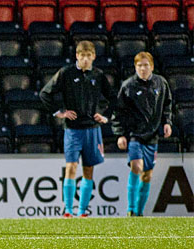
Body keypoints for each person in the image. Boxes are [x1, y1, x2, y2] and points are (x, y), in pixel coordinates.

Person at [39, 41, 116, 218]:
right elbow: (45, 93)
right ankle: (67, 210)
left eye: (89, 56)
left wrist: (105, 116)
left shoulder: (98, 74)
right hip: (73, 129)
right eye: (83, 56)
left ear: (94, 57)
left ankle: (82, 211)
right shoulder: (66, 72)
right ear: (77, 56)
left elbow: (113, 97)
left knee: (88, 169)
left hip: (92, 129)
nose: (86, 59)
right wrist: (59, 112)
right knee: (71, 166)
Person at [112, 52, 172, 217]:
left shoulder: (161, 83)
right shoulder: (128, 86)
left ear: (151, 66)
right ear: (135, 67)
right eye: (139, 66)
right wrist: (120, 134)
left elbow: (167, 104)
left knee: (147, 175)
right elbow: (118, 112)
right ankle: (131, 209)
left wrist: (167, 122)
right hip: (134, 135)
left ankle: (139, 212)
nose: (143, 68)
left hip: (152, 136)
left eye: (146, 65)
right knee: (136, 167)